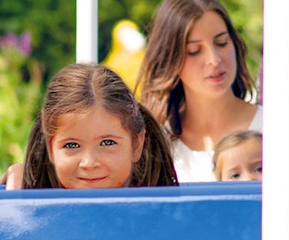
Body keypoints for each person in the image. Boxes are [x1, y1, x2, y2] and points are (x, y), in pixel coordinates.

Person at [138, 0, 261, 182]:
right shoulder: (155, 144)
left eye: (222, 43)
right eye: (194, 51)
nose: (214, 59)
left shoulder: (277, 127)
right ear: (170, 60)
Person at [19, 63, 177, 189]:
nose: (89, 163)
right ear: (50, 148)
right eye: (72, 145)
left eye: (107, 142)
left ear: (136, 145)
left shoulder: (162, 215)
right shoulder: (29, 214)